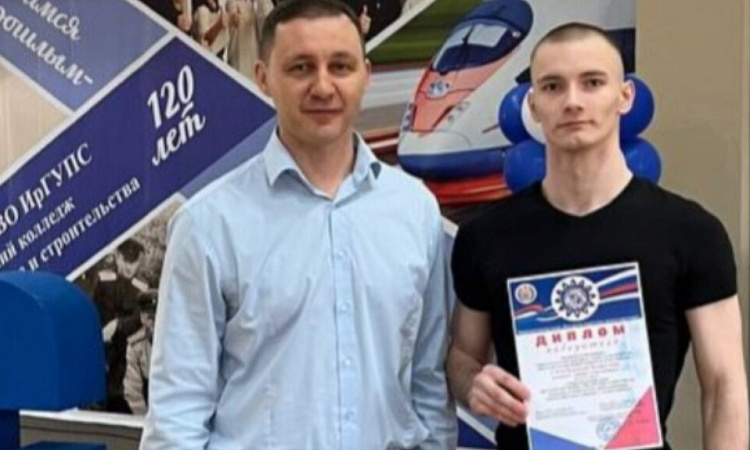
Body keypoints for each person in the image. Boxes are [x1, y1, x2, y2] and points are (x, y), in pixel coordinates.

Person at [140, 1, 456, 449]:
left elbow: (429, 386)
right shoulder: (209, 223)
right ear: (264, 77)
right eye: (301, 67)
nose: (323, 87)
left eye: (340, 66)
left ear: (365, 75)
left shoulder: (415, 211)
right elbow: (177, 413)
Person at [447, 23, 749, 450]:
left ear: (625, 96)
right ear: (533, 105)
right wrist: (474, 384)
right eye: (553, 86)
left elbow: (723, 386)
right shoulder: (486, 236)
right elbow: (463, 357)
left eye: (592, 82)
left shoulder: (691, 232)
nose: (573, 101)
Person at [91, 238, 149, 413]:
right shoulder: (103, 279)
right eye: (126, 260)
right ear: (117, 256)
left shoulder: (142, 288)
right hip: (100, 345)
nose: (129, 267)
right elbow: (92, 308)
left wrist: (118, 325)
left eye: (134, 262)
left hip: (125, 349)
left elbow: (140, 317)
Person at [124, 290, 158, 416]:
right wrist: (143, 420)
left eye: (157, 317)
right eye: (149, 317)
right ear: (142, 318)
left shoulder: (178, 342)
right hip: (147, 411)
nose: (153, 323)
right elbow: (133, 390)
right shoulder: (136, 347)